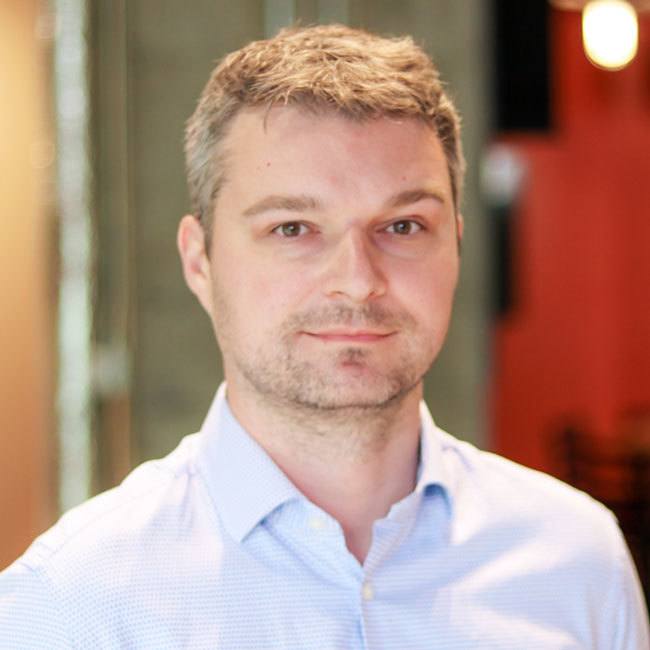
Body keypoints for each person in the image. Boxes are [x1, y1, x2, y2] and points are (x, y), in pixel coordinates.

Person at [1, 24, 648, 649]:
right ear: (199, 262)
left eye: (402, 226)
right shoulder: (69, 610)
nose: (358, 282)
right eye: (292, 228)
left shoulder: (578, 565)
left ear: (456, 244)